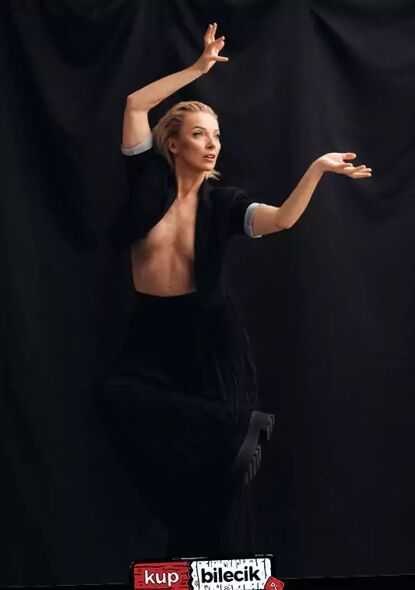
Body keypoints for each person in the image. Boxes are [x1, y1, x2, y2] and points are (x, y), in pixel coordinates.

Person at [99, 22, 372, 558]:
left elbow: (281, 220)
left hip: (210, 336)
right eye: (200, 134)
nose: (212, 144)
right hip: (151, 332)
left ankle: (213, 568)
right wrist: (197, 70)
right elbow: (135, 104)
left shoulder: (223, 203)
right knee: (117, 402)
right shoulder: (147, 181)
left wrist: (317, 169)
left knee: (224, 475)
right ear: (173, 142)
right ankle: (238, 427)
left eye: (217, 136)